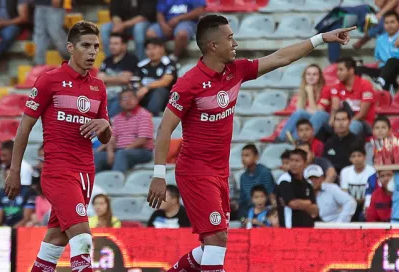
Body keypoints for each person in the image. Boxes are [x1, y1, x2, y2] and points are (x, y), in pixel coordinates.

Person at [146, 13, 354, 271]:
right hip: (195, 172)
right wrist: (158, 174)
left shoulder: (236, 71)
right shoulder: (189, 83)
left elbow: (281, 57)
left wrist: (321, 38)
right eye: (230, 38)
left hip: (220, 171)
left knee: (210, 245)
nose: (235, 43)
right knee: (216, 239)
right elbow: (165, 128)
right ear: (213, 45)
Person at [4, 21, 112, 272]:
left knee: (55, 240)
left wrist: (104, 125)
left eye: (96, 46)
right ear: (70, 48)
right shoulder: (49, 81)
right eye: (86, 46)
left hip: (86, 173)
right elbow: (24, 128)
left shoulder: (99, 87)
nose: (92, 52)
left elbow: (106, 138)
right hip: (58, 172)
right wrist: (14, 170)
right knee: (83, 237)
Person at [94, 89, 153, 173]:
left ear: (137, 100)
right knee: (97, 155)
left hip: (142, 151)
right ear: (120, 103)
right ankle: (91, 184)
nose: (128, 100)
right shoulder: (117, 118)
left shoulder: (144, 115)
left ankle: (115, 182)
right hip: (120, 150)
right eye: (124, 98)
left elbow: (142, 140)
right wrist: (110, 153)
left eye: (130, 97)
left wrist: (124, 150)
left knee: (121, 154)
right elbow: (112, 138)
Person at [356, 11, 399, 91]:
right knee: (358, 68)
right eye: (386, 23)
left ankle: (380, 83)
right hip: (387, 71)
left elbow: (398, 44)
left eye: (392, 22)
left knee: (392, 61)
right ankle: (370, 87)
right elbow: (378, 60)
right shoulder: (380, 39)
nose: (389, 25)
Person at [278, 64, 329, 141]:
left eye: (314, 74)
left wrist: (310, 93)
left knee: (319, 114)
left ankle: (297, 140)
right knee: (299, 113)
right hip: (310, 118)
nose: (311, 77)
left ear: (320, 77)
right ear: (304, 76)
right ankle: (281, 139)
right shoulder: (303, 89)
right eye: (308, 74)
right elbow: (299, 111)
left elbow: (317, 112)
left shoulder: (325, 89)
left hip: (325, 120)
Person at [329, 57, 376, 137]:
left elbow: (362, 114)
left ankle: (345, 147)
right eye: (337, 70)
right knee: (320, 116)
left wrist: (345, 124)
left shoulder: (365, 85)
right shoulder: (337, 85)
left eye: (341, 70)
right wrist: (333, 120)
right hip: (342, 121)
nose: (338, 73)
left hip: (362, 123)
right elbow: (335, 108)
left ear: (351, 70)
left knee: (353, 125)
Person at [97, 32, 139, 117]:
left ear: (124, 45)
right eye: (111, 43)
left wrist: (106, 78)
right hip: (106, 95)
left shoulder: (131, 59)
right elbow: (99, 79)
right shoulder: (107, 60)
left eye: (116, 44)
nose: (112, 46)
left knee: (110, 114)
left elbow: (125, 79)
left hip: (121, 95)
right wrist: (117, 79)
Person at [276, 149, 318, 228]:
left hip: (307, 228)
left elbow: (315, 211)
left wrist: (300, 203)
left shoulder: (308, 183)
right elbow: (293, 203)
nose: (293, 164)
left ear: (305, 164)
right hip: (290, 229)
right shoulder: (285, 180)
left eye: (297, 161)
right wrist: (309, 203)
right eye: (291, 160)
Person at [136, 38, 178, 116]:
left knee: (160, 90)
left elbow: (165, 82)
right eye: (148, 49)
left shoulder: (169, 62)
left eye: (154, 48)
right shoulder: (141, 65)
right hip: (144, 95)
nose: (151, 51)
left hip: (166, 98)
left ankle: (151, 116)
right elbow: (136, 82)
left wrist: (147, 87)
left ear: (162, 48)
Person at [238, 144, 275, 219]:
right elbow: (243, 200)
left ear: (256, 157)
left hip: (265, 211)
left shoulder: (265, 172)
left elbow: (269, 196)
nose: (243, 159)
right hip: (249, 211)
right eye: (242, 156)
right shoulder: (243, 177)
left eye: (247, 155)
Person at [340, 146, 376, 222]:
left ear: (364, 157)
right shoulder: (345, 171)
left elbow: (374, 192)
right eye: (353, 156)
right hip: (350, 203)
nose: (357, 159)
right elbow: (344, 192)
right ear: (350, 159)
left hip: (367, 202)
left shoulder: (372, 171)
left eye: (359, 155)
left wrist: (362, 201)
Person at [324, 108, 364, 174]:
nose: (341, 123)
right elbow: (325, 163)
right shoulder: (329, 142)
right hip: (333, 177)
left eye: (344, 119)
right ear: (333, 122)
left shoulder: (357, 141)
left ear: (350, 122)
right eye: (338, 120)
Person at [33, 0, 69, 65]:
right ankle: (39, 65)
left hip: (53, 7)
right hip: (39, 5)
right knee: (40, 35)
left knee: (56, 33)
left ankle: (72, 58)